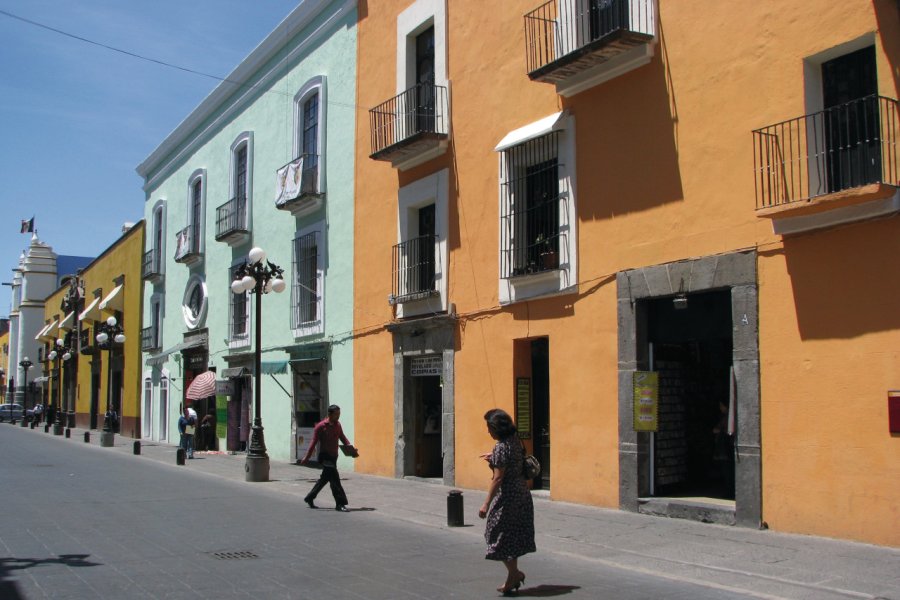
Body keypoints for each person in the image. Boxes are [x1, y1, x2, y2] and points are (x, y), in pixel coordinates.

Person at [478, 408, 535, 596]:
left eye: (489, 427)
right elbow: (511, 463)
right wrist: (493, 458)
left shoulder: (501, 447)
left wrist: (486, 504)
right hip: (522, 494)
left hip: (508, 496)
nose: (488, 431)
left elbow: (498, 478)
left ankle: (514, 573)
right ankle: (512, 577)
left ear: (497, 428)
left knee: (494, 532)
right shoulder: (515, 441)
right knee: (511, 534)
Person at [300, 404, 355, 512]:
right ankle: (340, 503)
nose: (338, 416)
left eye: (339, 414)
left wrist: (351, 450)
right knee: (335, 480)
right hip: (325, 457)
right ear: (330, 414)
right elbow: (313, 442)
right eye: (336, 414)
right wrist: (307, 456)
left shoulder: (338, 425)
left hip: (334, 456)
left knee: (324, 479)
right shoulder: (320, 426)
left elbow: (342, 437)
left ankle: (310, 497)